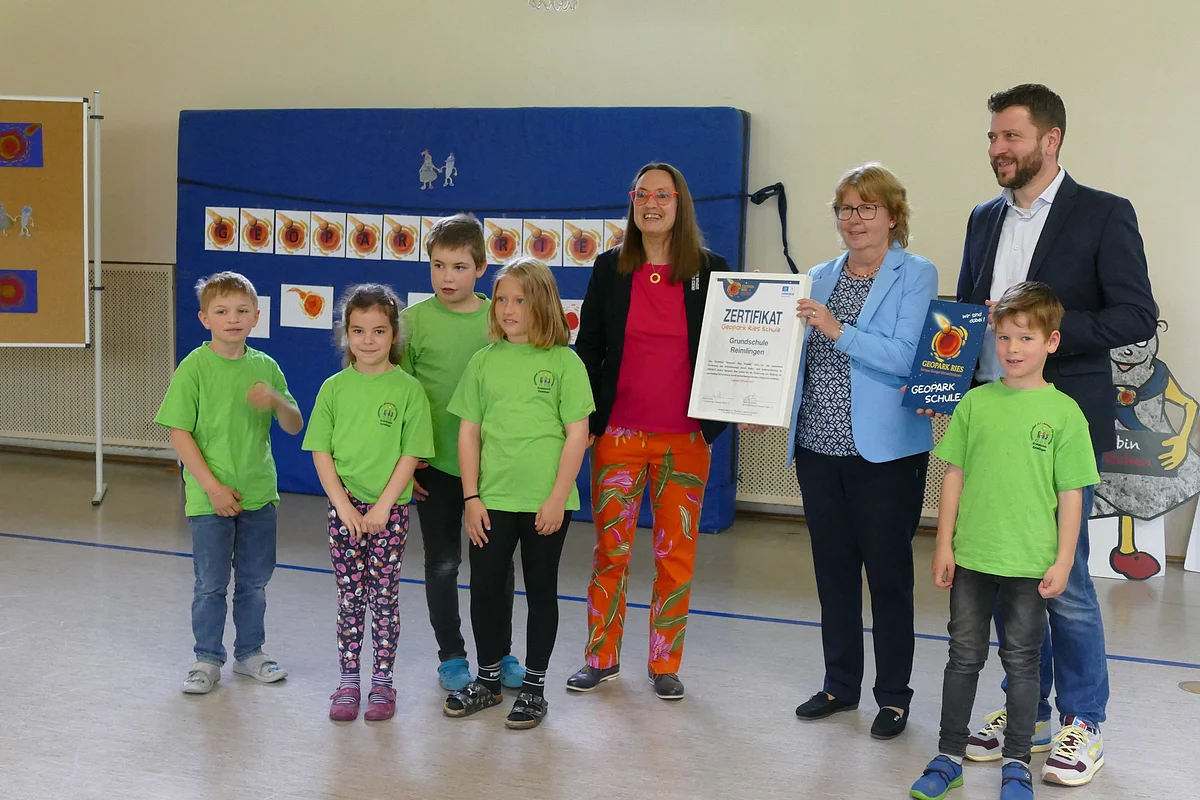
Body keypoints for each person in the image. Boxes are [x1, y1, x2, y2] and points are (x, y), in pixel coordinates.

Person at [955, 84, 1156, 785]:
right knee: (1009, 572)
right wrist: (945, 385)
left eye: (1010, 136)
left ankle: (1082, 723)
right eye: (991, 137)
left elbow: (1135, 314)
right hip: (991, 423)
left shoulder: (1104, 214)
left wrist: (1048, 338)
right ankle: (1029, 714)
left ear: (1051, 140)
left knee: (1060, 578)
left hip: (1062, 421)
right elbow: (964, 321)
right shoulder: (984, 218)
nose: (997, 149)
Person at [910, 282, 1101, 800]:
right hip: (972, 558)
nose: (1013, 349)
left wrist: (1063, 560)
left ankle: (1016, 762)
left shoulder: (1065, 414)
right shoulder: (975, 403)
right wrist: (944, 543)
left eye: (1026, 338)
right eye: (1004, 337)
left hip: (1030, 565)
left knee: (1022, 662)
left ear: (1052, 342)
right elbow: (953, 476)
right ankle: (948, 754)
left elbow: (1071, 496)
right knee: (962, 657)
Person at [786, 164, 938, 739]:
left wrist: (837, 328)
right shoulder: (818, 275)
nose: (854, 219)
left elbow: (905, 356)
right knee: (834, 575)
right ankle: (839, 685)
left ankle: (894, 697)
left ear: (892, 217)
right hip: (817, 445)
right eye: (846, 208)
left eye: (867, 208)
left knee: (890, 576)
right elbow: (792, 358)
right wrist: (763, 399)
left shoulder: (915, 273)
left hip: (886, 454)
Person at [568, 162, 729, 701]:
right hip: (619, 436)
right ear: (633, 202)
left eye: (663, 194)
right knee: (609, 552)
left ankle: (665, 662)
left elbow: (732, 355)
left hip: (685, 441)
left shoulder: (712, 272)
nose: (652, 203)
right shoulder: (610, 268)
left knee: (674, 556)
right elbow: (589, 348)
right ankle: (600, 657)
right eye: (642, 194)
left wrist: (719, 422)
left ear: (680, 203)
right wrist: (588, 421)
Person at [443, 257, 593, 730]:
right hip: (492, 500)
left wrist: (557, 496)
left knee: (541, 590)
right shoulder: (484, 362)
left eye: (520, 300)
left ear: (543, 304)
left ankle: (533, 687)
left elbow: (577, 434)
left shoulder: (565, 363)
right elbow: (469, 432)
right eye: (503, 299)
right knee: (485, 587)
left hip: (545, 504)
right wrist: (471, 497)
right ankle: (487, 680)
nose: (508, 309)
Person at [155, 271, 304, 695]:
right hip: (209, 499)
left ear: (256, 317)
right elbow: (179, 433)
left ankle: (250, 653)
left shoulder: (266, 367)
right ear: (205, 318)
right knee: (210, 583)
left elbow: (294, 425)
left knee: (254, 581)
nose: (232, 319)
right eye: (221, 311)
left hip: (259, 496)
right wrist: (213, 488)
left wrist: (276, 400)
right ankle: (206, 659)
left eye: (242, 311)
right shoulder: (194, 367)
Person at [401, 213, 523, 693]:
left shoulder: (501, 317)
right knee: (442, 564)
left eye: (458, 266)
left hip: (492, 472)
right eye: (437, 265)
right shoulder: (411, 324)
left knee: (495, 565)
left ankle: (500, 650)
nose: (446, 277)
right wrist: (404, 463)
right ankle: (451, 654)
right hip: (434, 468)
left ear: (480, 267)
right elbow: (398, 395)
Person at [303, 284, 434, 722]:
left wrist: (383, 507)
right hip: (344, 511)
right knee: (349, 597)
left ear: (394, 334)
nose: (368, 340)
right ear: (346, 334)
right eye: (358, 331)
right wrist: (343, 505)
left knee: (383, 597)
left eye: (378, 331)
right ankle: (348, 681)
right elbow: (321, 452)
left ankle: (382, 682)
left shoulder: (409, 391)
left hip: (388, 514)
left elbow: (409, 455)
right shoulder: (333, 389)